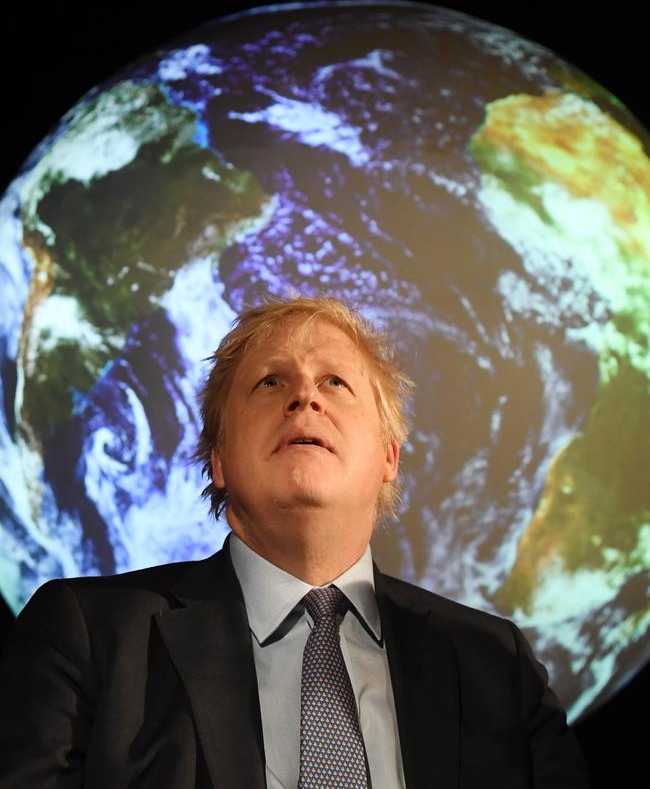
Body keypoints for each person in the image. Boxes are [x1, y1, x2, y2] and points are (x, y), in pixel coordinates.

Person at [0, 295, 589, 788]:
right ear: (220, 458)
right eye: (269, 381)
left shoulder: (495, 666)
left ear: (389, 457)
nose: (304, 397)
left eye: (335, 381)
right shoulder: (87, 638)